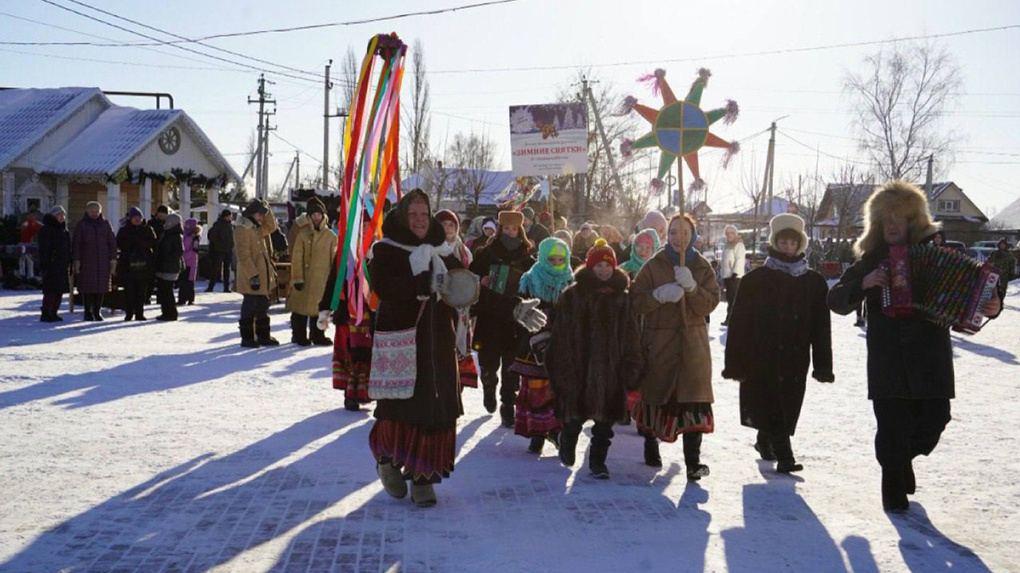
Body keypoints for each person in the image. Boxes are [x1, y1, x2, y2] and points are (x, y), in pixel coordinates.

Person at [827, 180, 1003, 513]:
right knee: (893, 430)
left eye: (899, 218)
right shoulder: (871, 261)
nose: (892, 225)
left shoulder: (940, 255)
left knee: (935, 422)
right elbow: (835, 300)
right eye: (885, 219)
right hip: (888, 362)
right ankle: (893, 485)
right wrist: (863, 284)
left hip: (930, 361)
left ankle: (900, 461)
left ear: (913, 221)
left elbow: (978, 288)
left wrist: (992, 304)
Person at [368, 189, 544, 507]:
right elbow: (385, 288)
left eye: (425, 214)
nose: (420, 220)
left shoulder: (442, 251)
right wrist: (422, 282)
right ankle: (389, 460)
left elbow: (468, 286)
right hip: (402, 342)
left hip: (437, 342)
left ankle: (424, 477)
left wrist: (512, 307)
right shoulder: (386, 250)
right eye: (414, 214)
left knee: (437, 407)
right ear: (403, 217)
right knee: (400, 408)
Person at [722, 214, 834, 473]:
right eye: (782, 242)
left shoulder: (814, 283)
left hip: (796, 358)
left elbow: (821, 329)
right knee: (772, 402)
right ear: (774, 242)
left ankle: (764, 440)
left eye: (792, 243)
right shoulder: (756, 280)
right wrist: (736, 364)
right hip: (762, 355)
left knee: (785, 404)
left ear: (800, 245)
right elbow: (739, 324)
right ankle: (785, 457)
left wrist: (823, 365)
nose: (787, 247)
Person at [631, 214, 720, 480]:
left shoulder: (703, 268)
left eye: (684, 233)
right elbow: (636, 301)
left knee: (693, 401)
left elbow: (710, 304)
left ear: (693, 235)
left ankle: (693, 462)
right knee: (656, 397)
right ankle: (650, 443)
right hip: (660, 343)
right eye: (672, 233)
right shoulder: (653, 266)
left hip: (693, 346)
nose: (678, 238)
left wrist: (692, 288)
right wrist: (658, 296)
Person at [547, 239, 642, 479]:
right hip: (580, 368)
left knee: (605, 424)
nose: (603, 270)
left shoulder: (623, 298)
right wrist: (563, 367)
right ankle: (567, 440)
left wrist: (632, 364)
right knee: (575, 417)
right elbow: (561, 335)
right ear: (590, 267)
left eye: (607, 266)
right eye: (598, 266)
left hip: (612, 370)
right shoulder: (573, 296)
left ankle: (598, 463)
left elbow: (631, 334)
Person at [469, 210, 535, 427]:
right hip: (489, 315)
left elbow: (533, 284)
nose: (510, 232)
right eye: (506, 228)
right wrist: (481, 281)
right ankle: (489, 387)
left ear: (520, 231)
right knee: (488, 361)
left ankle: (508, 403)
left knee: (511, 364)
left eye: (514, 229)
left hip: (514, 318)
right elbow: (470, 278)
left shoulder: (527, 258)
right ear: (499, 229)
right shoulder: (485, 253)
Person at [512, 237, 573, 454]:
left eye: (560, 259)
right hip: (534, 345)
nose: (556, 263)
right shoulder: (530, 279)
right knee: (536, 390)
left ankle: (555, 430)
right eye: (551, 259)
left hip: (561, 345)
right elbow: (519, 308)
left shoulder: (570, 280)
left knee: (557, 391)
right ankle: (537, 433)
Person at [318, 214, 374, 412]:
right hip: (346, 312)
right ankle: (350, 394)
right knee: (350, 353)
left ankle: (364, 391)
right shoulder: (345, 255)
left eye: (369, 226)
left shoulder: (377, 251)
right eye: (363, 226)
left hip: (370, 313)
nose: (366, 230)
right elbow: (333, 281)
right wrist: (324, 307)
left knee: (366, 354)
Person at [287, 197, 337, 346]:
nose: (316, 217)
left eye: (319, 214)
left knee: (319, 309)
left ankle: (318, 335)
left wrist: (333, 282)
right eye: (314, 214)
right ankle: (298, 335)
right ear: (309, 216)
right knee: (299, 310)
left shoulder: (330, 237)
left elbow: (334, 260)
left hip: (322, 280)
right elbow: (297, 258)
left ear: (323, 216)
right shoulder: (302, 234)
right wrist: (297, 278)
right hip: (303, 278)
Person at [234, 199, 280, 347]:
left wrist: (267, 210)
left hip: (262, 274)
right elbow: (243, 256)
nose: (261, 218)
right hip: (251, 275)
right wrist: (253, 275)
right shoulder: (242, 229)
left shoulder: (257, 228)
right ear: (252, 214)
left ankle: (263, 336)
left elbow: (272, 227)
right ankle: (247, 337)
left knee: (262, 306)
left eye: (262, 215)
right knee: (249, 306)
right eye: (259, 214)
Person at [72, 201, 117, 321]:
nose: (94, 213)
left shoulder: (106, 224)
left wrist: (113, 258)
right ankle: (88, 311)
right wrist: (77, 260)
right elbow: (77, 243)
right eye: (92, 211)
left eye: (96, 211)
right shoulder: (82, 225)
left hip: (103, 261)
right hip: (87, 260)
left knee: (101, 287)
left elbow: (112, 242)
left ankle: (97, 311)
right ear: (87, 212)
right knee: (87, 287)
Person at [115, 207, 157, 321]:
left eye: (139, 217)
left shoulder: (148, 229)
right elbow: (118, 243)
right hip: (128, 266)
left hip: (144, 266)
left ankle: (139, 313)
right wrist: (131, 245)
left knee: (141, 292)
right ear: (130, 218)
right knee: (129, 291)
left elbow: (153, 241)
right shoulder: (124, 230)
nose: (137, 220)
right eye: (135, 218)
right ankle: (129, 313)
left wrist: (142, 244)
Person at [37, 206, 72, 322]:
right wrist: (45, 263)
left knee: (59, 291)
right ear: (54, 216)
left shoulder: (64, 230)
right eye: (59, 215)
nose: (62, 217)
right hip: (51, 265)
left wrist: (69, 260)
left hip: (62, 264)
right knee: (50, 291)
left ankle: (54, 312)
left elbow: (68, 247)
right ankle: (46, 312)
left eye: (63, 215)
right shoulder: (46, 230)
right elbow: (44, 249)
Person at [153, 213, 184, 321]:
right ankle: (166, 312)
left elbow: (178, 252)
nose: (166, 223)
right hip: (163, 266)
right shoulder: (166, 233)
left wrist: (167, 259)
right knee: (163, 291)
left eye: (168, 221)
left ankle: (171, 313)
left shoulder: (175, 235)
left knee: (167, 291)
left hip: (170, 267)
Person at [719, 224, 746, 326]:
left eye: (731, 233)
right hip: (727, 277)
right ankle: (730, 318)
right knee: (730, 299)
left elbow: (740, 260)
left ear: (735, 234)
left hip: (734, 277)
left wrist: (735, 273)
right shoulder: (727, 245)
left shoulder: (739, 245)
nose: (729, 235)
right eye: (727, 233)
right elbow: (724, 261)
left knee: (733, 299)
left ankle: (731, 319)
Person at [206, 209, 235, 292]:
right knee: (216, 268)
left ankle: (226, 287)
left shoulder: (231, 225)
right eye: (229, 216)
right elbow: (212, 236)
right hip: (219, 250)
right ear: (225, 216)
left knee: (227, 269)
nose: (230, 217)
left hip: (228, 250)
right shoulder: (218, 225)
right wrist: (219, 244)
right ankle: (211, 286)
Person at [178, 218, 201, 305]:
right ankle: (182, 299)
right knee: (182, 282)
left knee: (189, 282)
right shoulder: (184, 236)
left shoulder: (195, 238)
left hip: (190, 263)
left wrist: (184, 257)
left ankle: (190, 299)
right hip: (184, 263)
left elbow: (194, 251)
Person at [18, 208, 42, 280]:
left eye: (32, 215)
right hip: (24, 244)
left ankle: (30, 275)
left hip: (30, 244)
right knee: (22, 259)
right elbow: (21, 229)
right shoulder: (26, 223)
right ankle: (23, 274)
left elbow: (42, 228)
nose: (31, 216)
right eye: (30, 215)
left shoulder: (36, 223)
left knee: (29, 260)